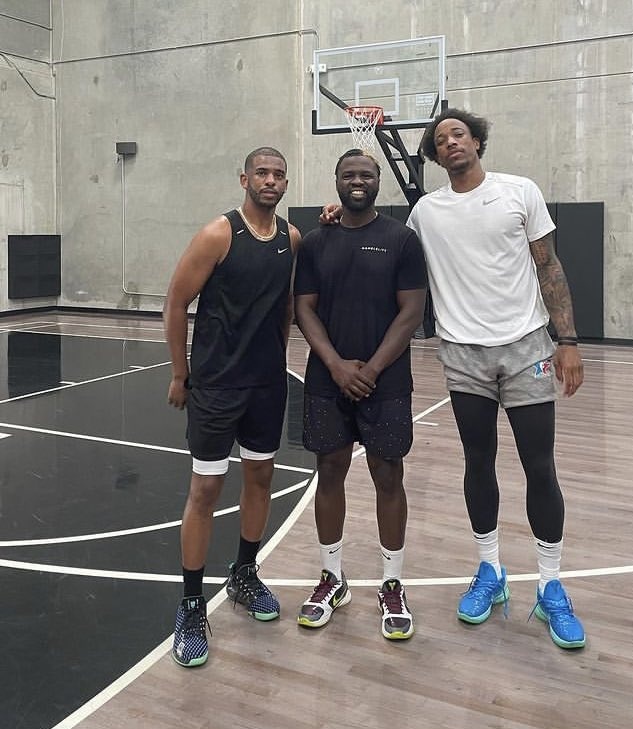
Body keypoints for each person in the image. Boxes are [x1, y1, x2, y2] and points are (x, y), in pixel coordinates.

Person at [405, 108, 586, 649]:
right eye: (441, 139)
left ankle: (551, 586)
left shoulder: (519, 192)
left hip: (527, 346)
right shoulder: (425, 213)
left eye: (459, 134)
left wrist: (568, 340)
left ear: (477, 141)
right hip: (463, 354)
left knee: (539, 466)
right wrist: (335, 217)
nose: (451, 142)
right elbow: (394, 254)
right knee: (477, 462)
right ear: (436, 155)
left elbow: (548, 266)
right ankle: (490, 571)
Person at [164, 146, 301, 667]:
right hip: (217, 386)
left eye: (278, 174)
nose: (270, 180)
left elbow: (286, 306)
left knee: (260, 479)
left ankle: (244, 574)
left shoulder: (290, 238)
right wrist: (181, 373)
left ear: (285, 183)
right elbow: (176, 302)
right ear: (244, 179)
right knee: (205, 489)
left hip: (266, 386)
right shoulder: (218, 234)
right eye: (261, 172)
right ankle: (191, 605)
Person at [293, 149, 428, 640]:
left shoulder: (402, 240)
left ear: (377, 181)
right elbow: (303, 308)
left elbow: (411, 312)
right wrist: (335, 365)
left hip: (384, 382)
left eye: (366, 175)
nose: (357, 181)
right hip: (327, 380)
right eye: (348, 174)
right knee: (329, 472)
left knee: (388, 476)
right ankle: (332, 577)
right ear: (335, 181)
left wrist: (369, 369)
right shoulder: (315, 242)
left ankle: (392, 583)